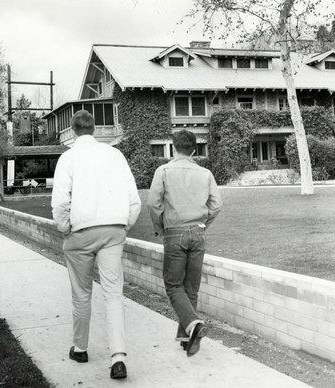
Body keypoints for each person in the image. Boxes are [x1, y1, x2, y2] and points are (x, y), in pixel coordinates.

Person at [51, 110, 141, 380]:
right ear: (95, 129)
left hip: (81, 231)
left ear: (73, 130)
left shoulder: (68, 158)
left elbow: (60, 202)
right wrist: (123, 224)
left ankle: (80, 347)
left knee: (81, 294)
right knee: (114, 293)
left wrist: (65, 228)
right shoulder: (115, 155)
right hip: (113, 230)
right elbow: (133, 198)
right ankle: (118, 357)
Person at [147, 129, 222, 357]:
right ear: (194, 149)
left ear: (173, 147)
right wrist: (202, 224)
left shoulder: (164, 171)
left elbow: (153, 204)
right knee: (190, 287)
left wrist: (161, 226)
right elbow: (216, 205)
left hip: (175, 232)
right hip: (198, 232)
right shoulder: (205, 173)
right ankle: (185, 336)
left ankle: (194, 324)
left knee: (173, 285)